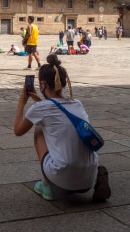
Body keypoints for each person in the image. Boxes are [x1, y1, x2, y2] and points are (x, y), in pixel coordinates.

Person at [14, 54, 111, 201]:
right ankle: (96, 179)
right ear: (64, 83)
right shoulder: (77, 104)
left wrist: (22, 101)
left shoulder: (40, 109)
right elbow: (57, 112)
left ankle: (47, 186)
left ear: (43, 84)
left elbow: (18, 131)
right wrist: (40, 102)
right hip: (88, 181)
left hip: (62, 180)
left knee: (39, 128)